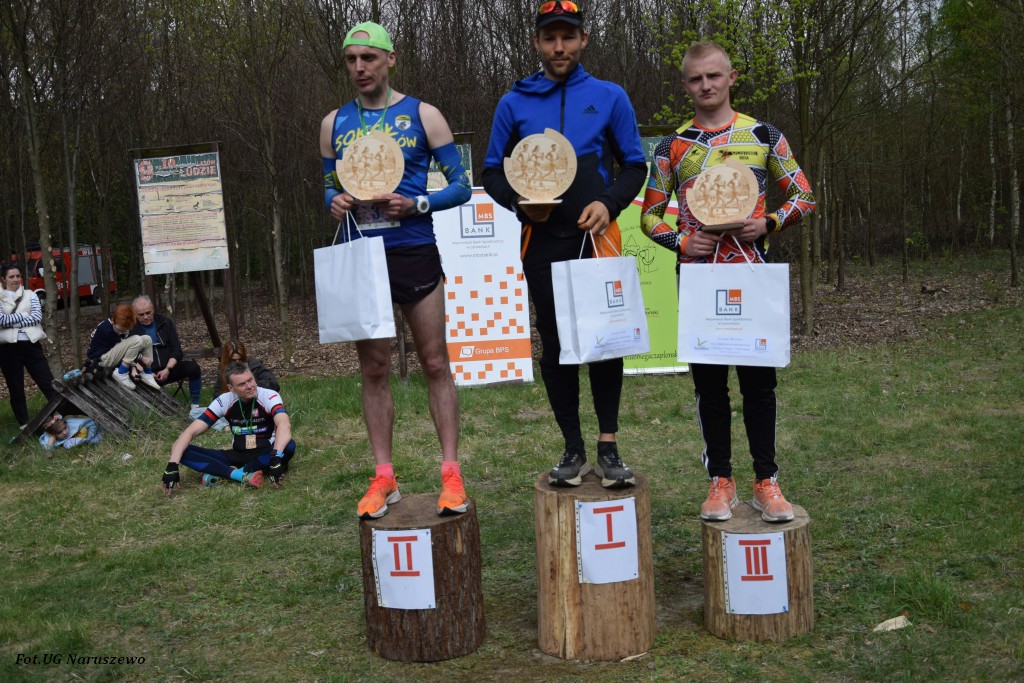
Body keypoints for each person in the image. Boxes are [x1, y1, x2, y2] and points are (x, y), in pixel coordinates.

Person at [640, 40, 817, 522]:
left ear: (732, 77)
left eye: (714, 76)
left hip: (753, 277)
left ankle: (767, 481)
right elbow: (649, 216)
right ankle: (720, 481)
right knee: (710, 386)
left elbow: (803, 195)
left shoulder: (763, 135)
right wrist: (681, 242)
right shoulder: (671, 146)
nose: (706, 85)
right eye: (696, 78)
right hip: (699, 281)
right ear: (685, 84)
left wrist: (768, 223)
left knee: (759, 385)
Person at [482, 1, 647, 489]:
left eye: (568, 37)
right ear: (537, 41)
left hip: (595, 237)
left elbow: (634, 165)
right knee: (555, 343)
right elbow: (491, 171)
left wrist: (609, 203)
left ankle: (609, 446)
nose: (559, 47)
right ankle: (572, 447)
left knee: (604, 340)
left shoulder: (610, 96)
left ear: (583, 40)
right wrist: (518, 203)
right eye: (550, 38)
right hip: (542, 241)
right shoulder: (514, 103)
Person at [319, 21, 472, 519]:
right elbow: (329, 186)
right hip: (363, 256)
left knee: (434, 363)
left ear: (390, 59)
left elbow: (461, 186)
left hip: (414, 249)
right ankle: (384, 477)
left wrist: (417, 203)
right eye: (351, 60)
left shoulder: (424, 115)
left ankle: (451, 473)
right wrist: (333, 200)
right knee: (375, 368)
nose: (359, 67)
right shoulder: (333, 123)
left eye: (368, 58)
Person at [162, 361, 295, 495]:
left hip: (266, 453)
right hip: (238, 454)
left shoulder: (269, 395)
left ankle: (227, 471)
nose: (249, 386)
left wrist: (276, 456)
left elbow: (284, 424)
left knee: (289, 445)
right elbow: (190, 431)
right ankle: (239, 474)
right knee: (180, 448)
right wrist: (172, 465)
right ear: (231, 388)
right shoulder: (224, 400)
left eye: (250, 380)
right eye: (242, 384)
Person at [0, 263, 58, 428]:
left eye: (18, 276)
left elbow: (37, 318)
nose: (15, 279)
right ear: (3, 279)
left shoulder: (30, 295)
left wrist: (12, 321)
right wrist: (24, 315)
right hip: (8, 348)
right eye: (11, 276)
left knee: (47, 381)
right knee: (16, 387)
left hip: (31, 345)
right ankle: (24, 424)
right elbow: (1, 320)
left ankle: (62, 414)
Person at [131, 295, 205, 419]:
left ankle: (195, 407)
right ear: (135, 314)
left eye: (148, 313)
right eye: (141, 315)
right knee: (132, 379)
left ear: (153, 310)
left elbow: (177, 350)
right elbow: (131, 356)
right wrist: (146, 373)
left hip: (169, 368)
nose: (145, 317)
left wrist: (167, 369)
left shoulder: (165, 322)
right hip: (147, 372)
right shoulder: (131, 329)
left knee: (193, 368)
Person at [85, 305, 161, 392]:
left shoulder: (122, 328)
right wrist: (141, 358)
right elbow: (124, 352)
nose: (121, 333)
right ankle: (121, 373)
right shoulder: (106, 330)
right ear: (113, 321)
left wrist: (133, 368)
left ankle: (147, 372)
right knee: (136, 340)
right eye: (119, 330)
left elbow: (126, 352)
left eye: (124, 330)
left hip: (112, 354)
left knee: (147, 339)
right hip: (100, 359)